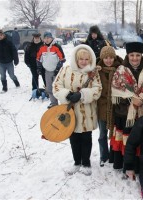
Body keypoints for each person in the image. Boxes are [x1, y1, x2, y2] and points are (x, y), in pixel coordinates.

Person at [53, 44, 102, 176]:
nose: (84, 62)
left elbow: (98, 90)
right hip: (70, 112)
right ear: (76, 58)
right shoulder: (65, 70)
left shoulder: (93, 73)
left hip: (87, 113)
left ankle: (86, 162)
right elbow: (56, 86)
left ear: (90, 59)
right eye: (81, 59)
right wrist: (67, 94)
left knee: (86, 138)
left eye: (87, 59)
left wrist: (82, 94)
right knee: (73, 137)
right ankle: (77, 162)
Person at [110, 42, 143, 171]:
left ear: (141, 55)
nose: (135, 58)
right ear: (127, 55)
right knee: (127, 140)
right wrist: (131, 99)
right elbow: (117, 91)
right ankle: (126, 165)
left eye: (137, 55)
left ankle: (140, 166)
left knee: (140, 140)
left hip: (142, 112)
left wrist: (141, 99)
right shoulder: (121, 70)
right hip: (125, 114)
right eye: (132, 55)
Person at [97, 46, 123, 167]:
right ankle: (103, 155)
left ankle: (114, 154)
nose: (108, 60)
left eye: (111, 57)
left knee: (115, 133)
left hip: (115, 106)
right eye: (106, 58)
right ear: (102, 58)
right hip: (102, 107)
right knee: (102, 134)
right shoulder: (97, 70)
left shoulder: (120, 69)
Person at [36, 31, 65, 109]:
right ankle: (54, 103)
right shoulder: (42, 48)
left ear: (51, 38)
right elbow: (38, 59)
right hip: (47, 71)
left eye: (48, 38)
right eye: (45, 38)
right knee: (49, 88)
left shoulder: (57, 47)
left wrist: (58, 68)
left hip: (57, 71)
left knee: (58, 88)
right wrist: (39, 68)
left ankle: (63, 104)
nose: (47, 39)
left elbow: (62, 59)